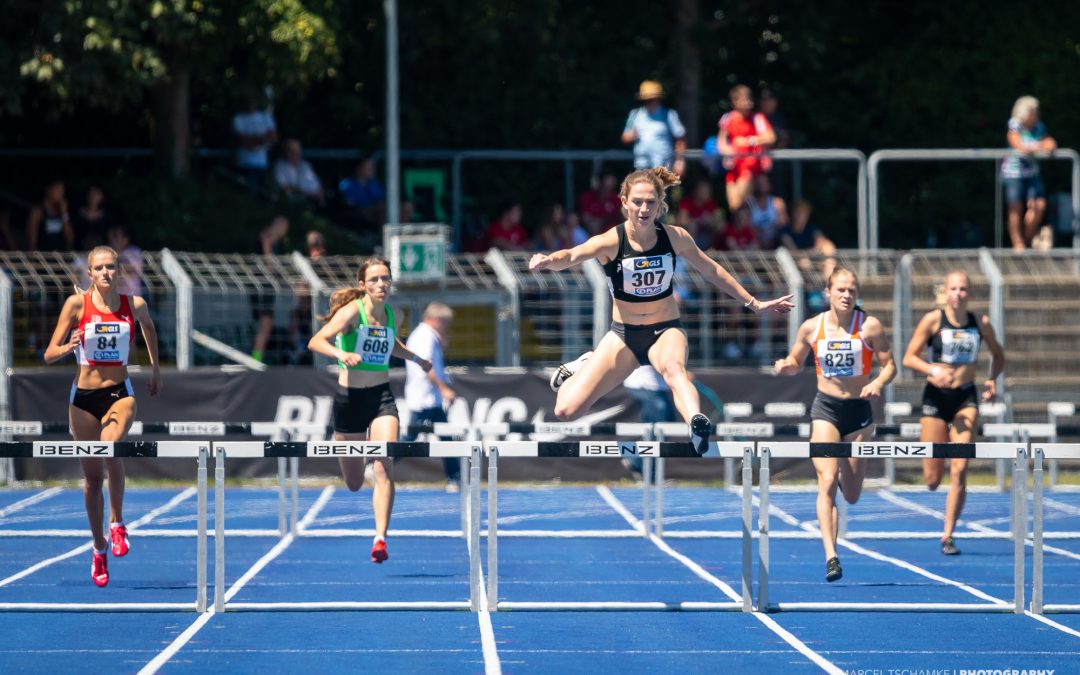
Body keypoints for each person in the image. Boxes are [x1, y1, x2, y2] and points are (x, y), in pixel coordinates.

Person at [533, 167, 793, 456]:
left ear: (660, 204)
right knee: (566, 410)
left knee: (674, 370)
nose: (644, 209)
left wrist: (753, 303)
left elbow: (712, 270)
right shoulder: (611, 241)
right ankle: (586, 362)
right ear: (624, 202)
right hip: (624, 336)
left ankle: (696, 423)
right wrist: (548, 260)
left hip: (664, 330)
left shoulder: (675, 237)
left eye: (650, 203)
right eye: (637, 202)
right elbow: (571, 255)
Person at [43, 245, 162, 586]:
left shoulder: (133, 305)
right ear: (90, 273)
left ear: (118, 270)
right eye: (99, 268)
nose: (106, 273)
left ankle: (118, 522)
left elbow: (149, 329)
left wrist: (155, 369)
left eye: (111, 267)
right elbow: (49, 353)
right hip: (82, 398)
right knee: (93, 480)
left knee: (110, 444)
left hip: (119, 392)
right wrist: (69, 345)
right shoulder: (76, 305)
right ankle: (98, 548)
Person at [773, 267, 895, 582]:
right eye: (840, 290)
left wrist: (879, 382)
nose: (846, 295)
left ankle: (846, 464)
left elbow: (890, 365)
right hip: (826, 409)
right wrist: (784, 366)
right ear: (828, 292)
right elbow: (795, 361)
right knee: (826, 482)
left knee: (852, 494)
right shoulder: (813, 328)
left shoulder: (869, 327)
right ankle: (831, 555)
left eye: (852, 290)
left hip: (858, 413)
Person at [307, 256, 431, 563]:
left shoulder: (394, 314)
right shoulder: (352, 312)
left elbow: (391, 344)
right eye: (375, 279)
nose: (382, 284)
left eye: (386, 278)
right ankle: (352, 451)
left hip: (381, 398)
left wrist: (416, 359)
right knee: (353, 483)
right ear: (363, 285)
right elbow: (316, 341)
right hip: (349, 400)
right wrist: (341, 353)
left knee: (381, 463)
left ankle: (380, 539)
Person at [901, 270, 1005, 556]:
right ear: (945, 292)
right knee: (933, 480)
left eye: (963, 289)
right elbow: (908, 357)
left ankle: (947, 535)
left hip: (965, 397)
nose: (958, 294)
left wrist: (992, 379)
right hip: (936, 397)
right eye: (954, 289)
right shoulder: (934, 320)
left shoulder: (979, 322)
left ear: (969, 294)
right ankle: (937, 486)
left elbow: (999, 355)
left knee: (960, 468)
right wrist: (932, 369)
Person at [402, 303, 460, 490]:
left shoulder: (429, 336)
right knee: (410, 438)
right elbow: (426, 366)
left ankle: (454, 477)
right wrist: (443, 388)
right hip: (424, 398)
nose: (447, 327)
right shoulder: (424, 336)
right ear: (437, 319)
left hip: (430, 398)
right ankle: (377, 464)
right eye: (445, 322)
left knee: (445, 438)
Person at [1001, 96, 1057, 251]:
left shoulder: (1039, 126)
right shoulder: (1015, 124)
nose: (1036, 115)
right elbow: (1018, 145)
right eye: (1033, 112)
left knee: (1038, 206)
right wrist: (1040, 146)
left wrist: (1047, 145)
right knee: (1015, 208)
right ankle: (1018, 243)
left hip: (1032, 173)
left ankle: (1026, 240)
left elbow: (1050, 142)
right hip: (1014, 172)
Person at [718, 84, 775, 212]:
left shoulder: (757, 118)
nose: (748, 103)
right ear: (734, 102)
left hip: (750, 166)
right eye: (744, 99)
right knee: (734, 206)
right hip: (733, 167)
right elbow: (721, 143)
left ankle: (750, 226)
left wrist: (750, 141)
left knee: (740, 204)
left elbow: (771, 137)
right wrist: (731, 151)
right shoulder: (727, 119)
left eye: (749, 99)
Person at [621, 81, 687, 176]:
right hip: (641, 166)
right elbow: (624, 137)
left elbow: (680, 138)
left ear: (658, 99)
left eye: (651, 99)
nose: (648, 103)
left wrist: (680, 161)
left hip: (663, 167)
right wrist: (631, 136)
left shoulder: (669, 115)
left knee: (659, 191)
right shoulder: (634, 114)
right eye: (645, 100)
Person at [622, 365, 677, 479]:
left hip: (654, 387)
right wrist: (679, 374)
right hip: (645, 386)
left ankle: (643, 468)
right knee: (659, 429)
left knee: (664, 427)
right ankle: (637, 462)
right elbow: (661, 362)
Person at [252, 215, 289, 363]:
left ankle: (257, 358)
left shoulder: (274, 242)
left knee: (266, 325)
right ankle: (256, 359)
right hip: (262, 286)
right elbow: (269, 264)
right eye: (285, 227)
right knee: (265, 324)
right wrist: (279, 277)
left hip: (267, 286)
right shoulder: (266, 237)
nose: (285, 232)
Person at [778, 199, 837, 282]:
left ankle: (828, 284)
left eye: (803, 213)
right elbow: (794, 252)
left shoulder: (811, 229)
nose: (800, 216)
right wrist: (812, 252)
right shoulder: (785, 232)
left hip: (811, 260)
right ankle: (811, 290)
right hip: (789, 264)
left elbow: (824, 243)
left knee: (828, 251)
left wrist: (816, 251)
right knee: (804, 262)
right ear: (791, 214)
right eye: (797, 212)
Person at [233, 95, 278, 190]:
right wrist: (264, 139)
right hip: (245, 162)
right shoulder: (239, 118)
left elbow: (274, 138)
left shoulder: (265, 117)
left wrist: (254, 139)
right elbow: (244, 142)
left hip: (263, 163)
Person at [26, 179, 74, 251]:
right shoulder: (37, 211)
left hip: (61, 258)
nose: (61, 193)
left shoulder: (63, 211)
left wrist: (64, 213)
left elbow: (70, 239)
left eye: (62, 190)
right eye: (57, 189)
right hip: (44, 257)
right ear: (48, 189)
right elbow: (32, 241)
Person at [338, 157, 386, 230]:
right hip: (358, 212)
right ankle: (384, 238)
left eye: (372, 168)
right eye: (368, 168)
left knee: (404, 207)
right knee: (381, 210)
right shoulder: (347, 184)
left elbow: (380, 199)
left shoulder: (374, 184)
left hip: (376, 210)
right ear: (359, 169)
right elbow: (349, 204)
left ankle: (398, 236)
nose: (371, 170)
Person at [676, 179, 724, 250]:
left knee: (719, 225)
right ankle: (691, 251)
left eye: (708, 190)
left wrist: (710, 220)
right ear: (696, 191)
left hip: (706, 236)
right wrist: (697, 221)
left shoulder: (710, 203)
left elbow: (719, 219)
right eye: (704, 190)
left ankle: (713, 249)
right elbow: (682, 221)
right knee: (692, 225)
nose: (707, 192)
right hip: (691, 237)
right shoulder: (687, 202)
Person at [274, 139, 324, 204]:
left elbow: (318, 185)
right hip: (295, 204)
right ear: (287, 152)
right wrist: (309, 195)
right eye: (293, 151)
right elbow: (286, 189)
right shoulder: (280, 167)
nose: (297, 153)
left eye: (298, 150)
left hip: (315, 202)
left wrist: (319, 195)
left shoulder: (305, 165)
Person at [746, 174, 788, 249]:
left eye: (764, 183)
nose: (761, 186)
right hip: (755, 243)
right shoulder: (748, 204)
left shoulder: (777, 203)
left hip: (775, 243)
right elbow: (745, 227)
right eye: (759, 184)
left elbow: (785, 225)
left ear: (769, 185)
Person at [105, 224, 144, 298]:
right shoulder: (105, 250)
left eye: (116, 236)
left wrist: (117, 251)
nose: (113, 239)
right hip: (112, 298)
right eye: (112, 236)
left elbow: (130, 270)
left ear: (126, 238)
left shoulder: (134, 251)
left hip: (132, 298)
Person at [72, 185, 112, 250]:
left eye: (97, 194)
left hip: (100, 253)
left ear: (102, 196)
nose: (93, 196)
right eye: (91, 193)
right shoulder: (77, 214)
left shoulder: (107, 216)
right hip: (80, 251)